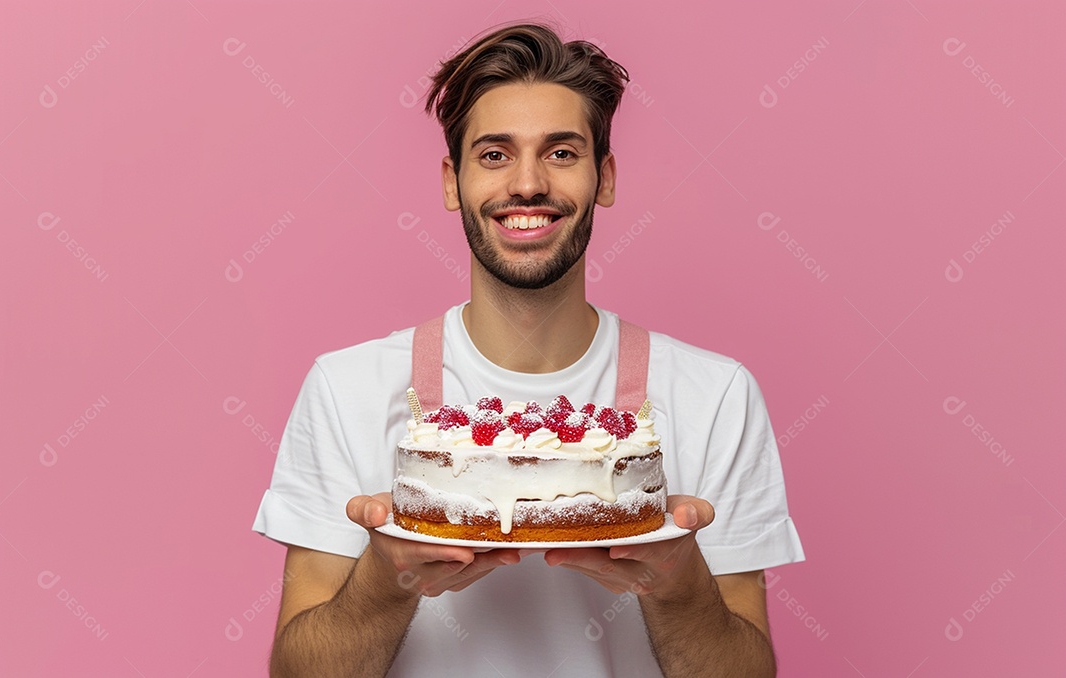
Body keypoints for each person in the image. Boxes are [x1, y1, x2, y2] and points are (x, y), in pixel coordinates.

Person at [253, 22, 804, 677]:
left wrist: (678, 584)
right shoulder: (347, 389)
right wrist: (384, 577)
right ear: (452, 182)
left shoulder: (715, 396)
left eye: (561, 153)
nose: (527, 184)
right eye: (495, 155)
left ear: (604, 178)